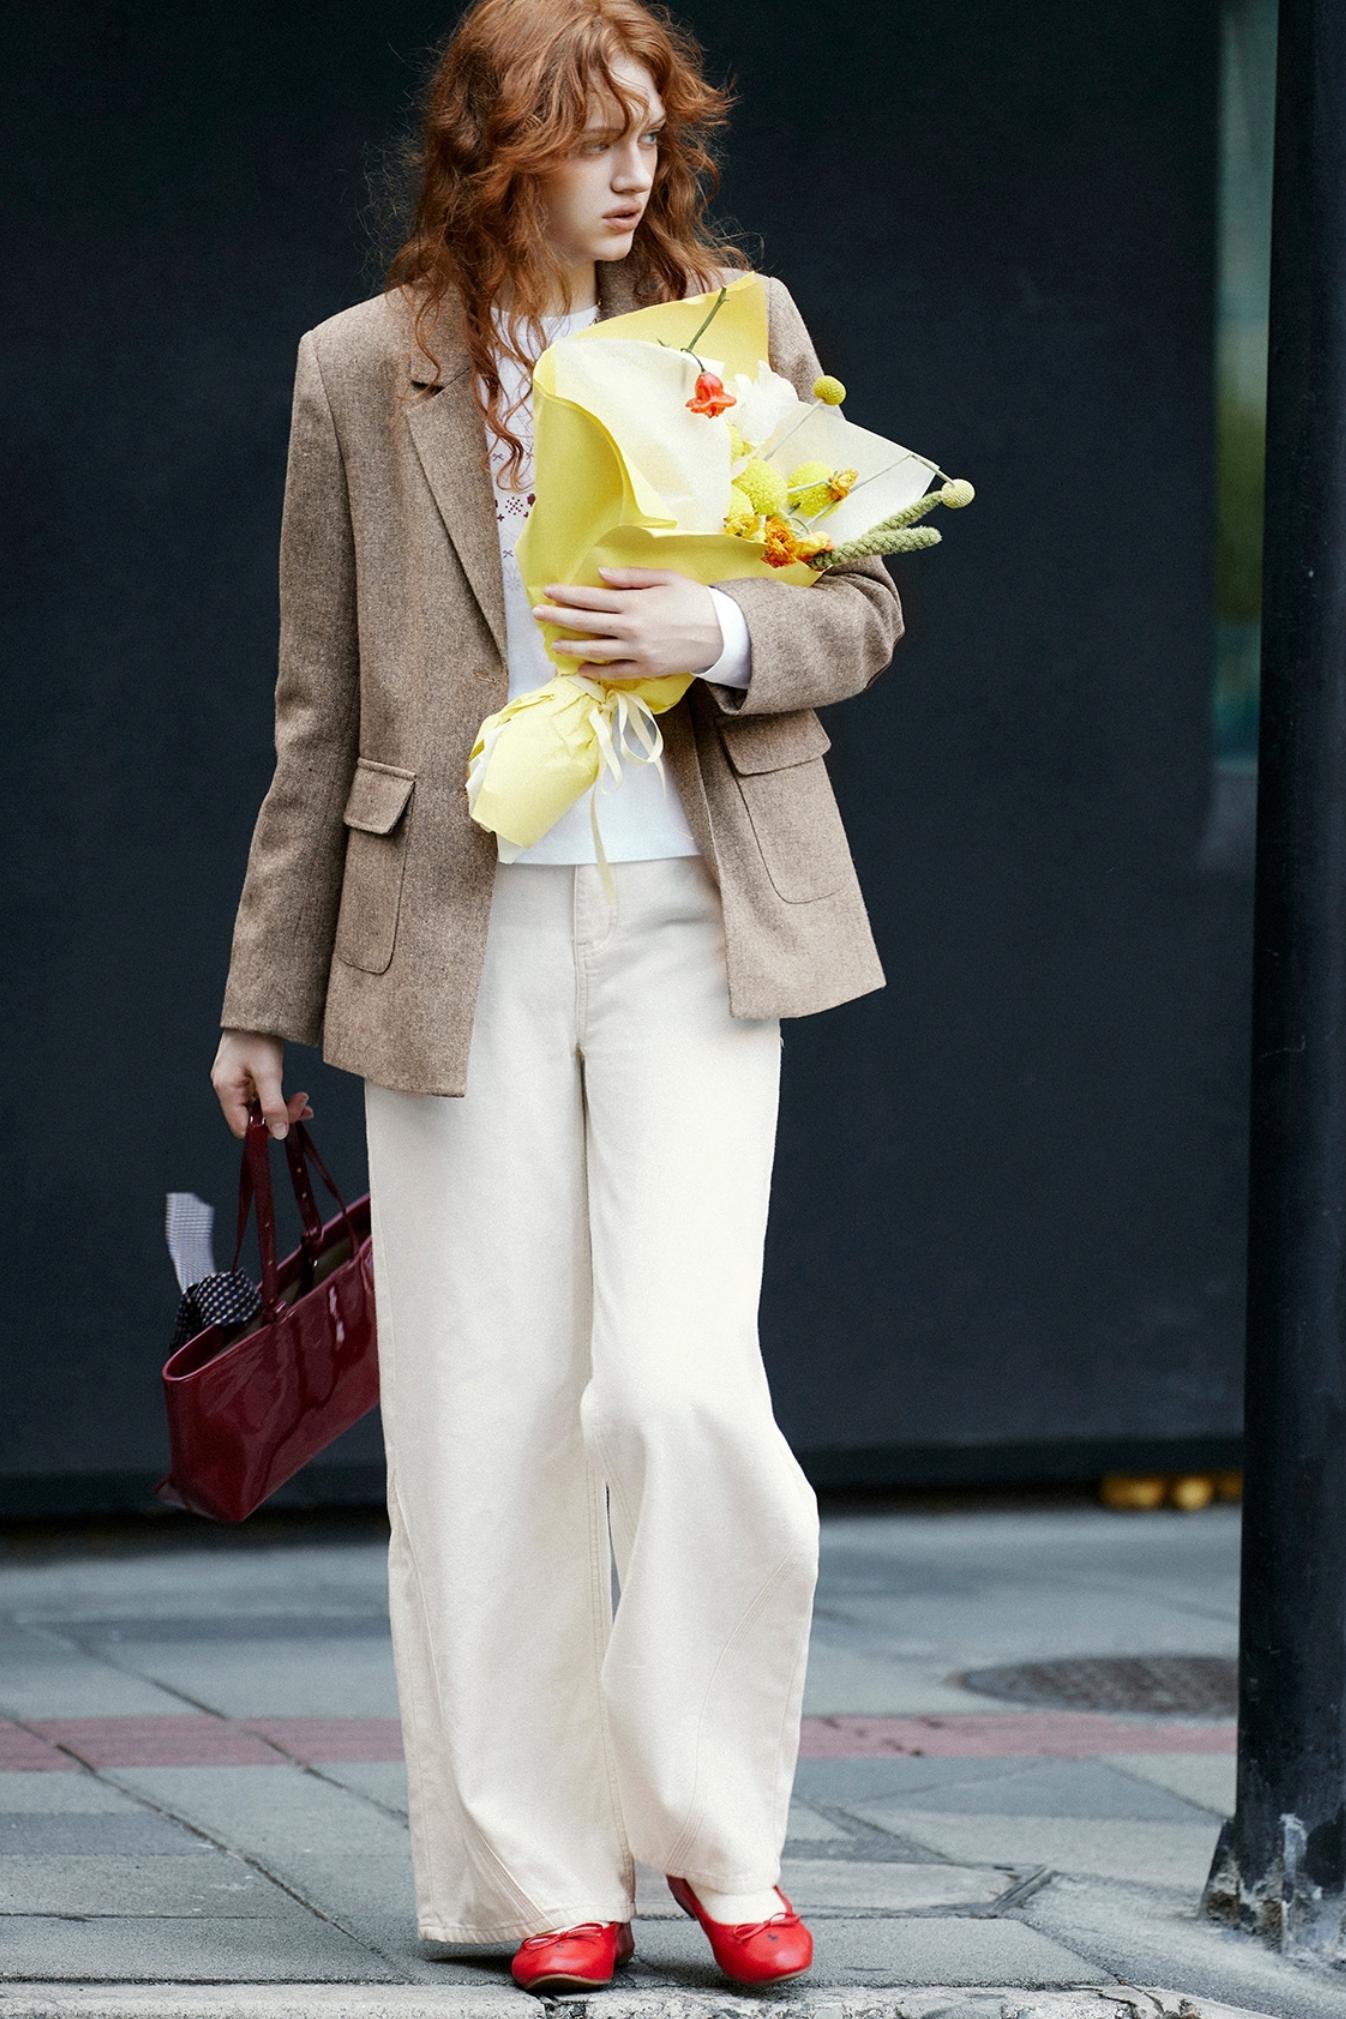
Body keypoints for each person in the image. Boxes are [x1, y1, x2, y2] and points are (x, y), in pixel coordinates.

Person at [211, 0, 905, 1994]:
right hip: (455, 933)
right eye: (591, 137)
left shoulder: (733, 334)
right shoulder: (361, 369)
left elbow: (860, 601)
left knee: (677, 1387)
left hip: (696, 913)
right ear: (493, 149)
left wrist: (717, 628)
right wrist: (259, 995)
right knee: (486, 1410)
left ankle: (713, 1832)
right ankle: (539, 1870)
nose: (633, 171)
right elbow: (316, 708)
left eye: (650, 134)